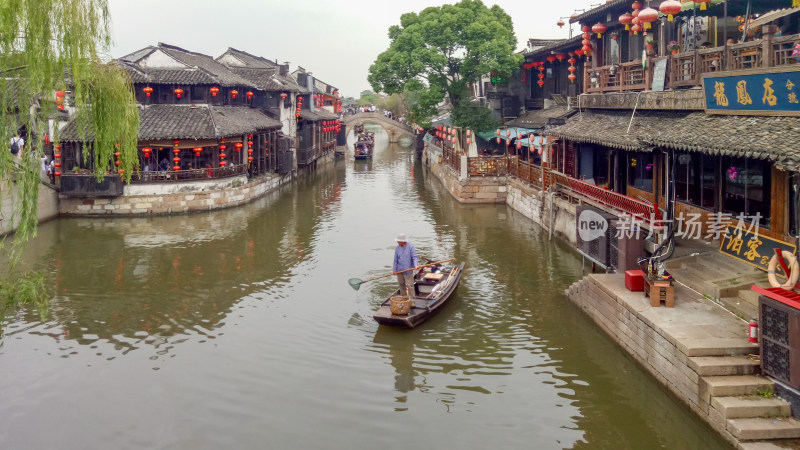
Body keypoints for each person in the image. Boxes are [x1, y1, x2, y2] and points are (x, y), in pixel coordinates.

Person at [392, 233, 419, 298]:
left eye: (398, 241)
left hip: (408, 271)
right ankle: (403, 298)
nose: (397, 242)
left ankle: (412, 300)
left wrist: (416, 265)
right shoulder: (397, 248)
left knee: (410, 285)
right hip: (400, 271)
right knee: (401, 285)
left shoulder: (410, 247)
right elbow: (395, 260)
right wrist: (394, 270)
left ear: (402, 241)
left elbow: (414, 257)